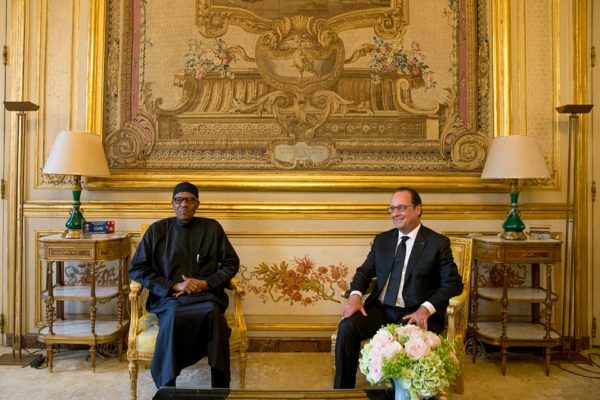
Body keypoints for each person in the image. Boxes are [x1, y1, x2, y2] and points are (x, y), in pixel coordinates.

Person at [334, 187, 464, 389]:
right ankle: (342, 391)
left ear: (418, 209)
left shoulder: (437, 243)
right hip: (381, 309)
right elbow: (364, 272)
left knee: (410, 352)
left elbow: (453, 283)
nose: (395, 213)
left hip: (414, 312)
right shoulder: (382, 240)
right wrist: (355, 296)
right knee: (347, 327)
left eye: (401, 208)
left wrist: (426, 309)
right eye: (392, 209)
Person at [129, 181, 240, 389]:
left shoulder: (212, 228)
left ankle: (219, 387)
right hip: (169, 298)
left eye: (189, 200)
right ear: (172, 203)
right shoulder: (157, 230)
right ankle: (168, 387)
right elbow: (137, 269)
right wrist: (173, 286)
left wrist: (206, 283)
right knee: (172, 316)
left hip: (205, 296)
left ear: (197, 204)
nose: (184, 205)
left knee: (214, 316)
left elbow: (231, 263)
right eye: (179, 200)